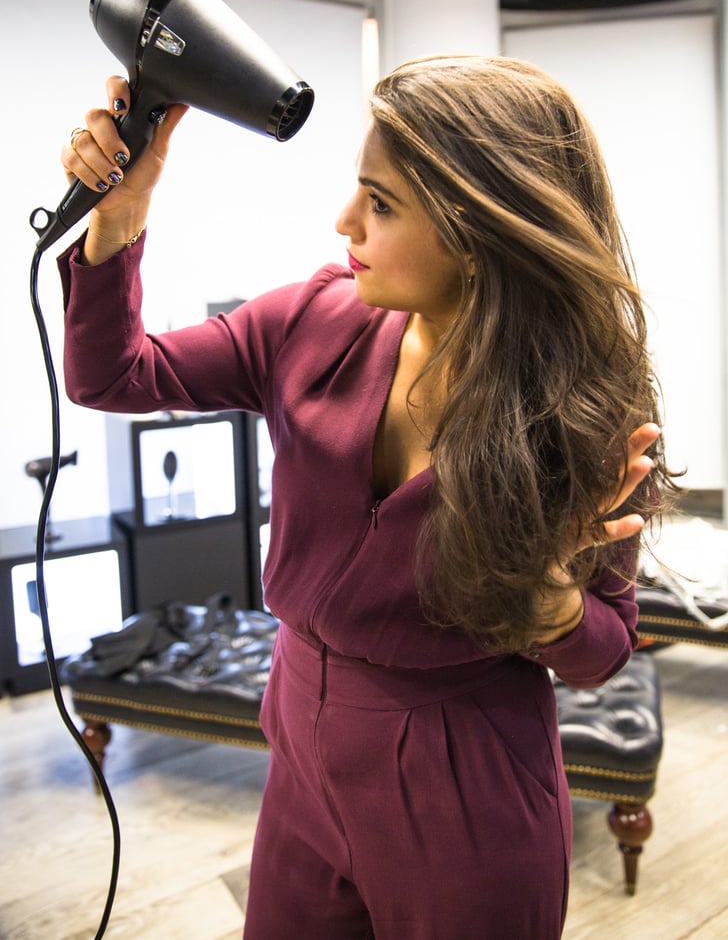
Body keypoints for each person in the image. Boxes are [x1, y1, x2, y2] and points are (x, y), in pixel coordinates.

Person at [58, 55, 676, 940]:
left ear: (479, 232)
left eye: (380, 204)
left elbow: (600, 653)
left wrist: (551, 605)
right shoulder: (313, 320)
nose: (344, 221)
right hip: (301, 756)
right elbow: (113, 375)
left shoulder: (586, 418)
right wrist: (119, 217)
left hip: (465, 787)